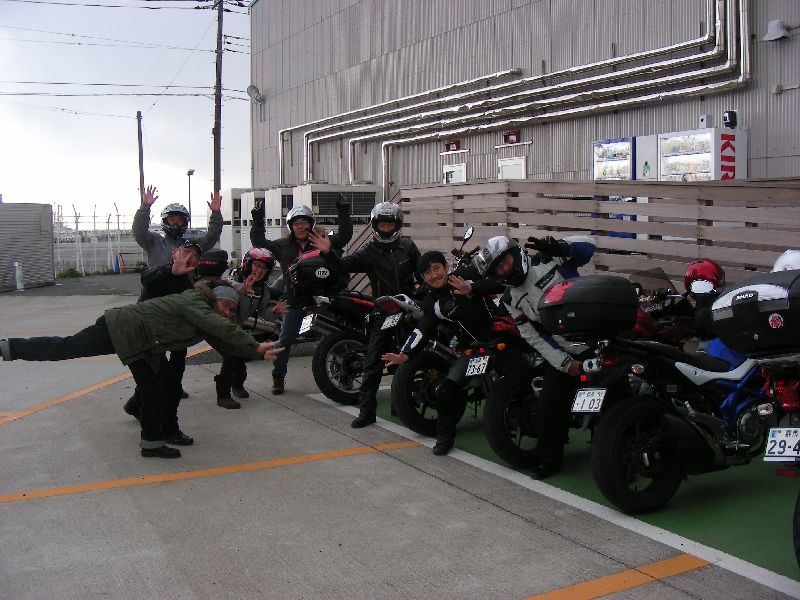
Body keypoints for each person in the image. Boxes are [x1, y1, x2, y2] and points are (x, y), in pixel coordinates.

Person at [0, 282, 283, 459]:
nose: (227, 313)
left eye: (232, 310)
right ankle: (151, 442)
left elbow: (224, 339)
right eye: (226, 306)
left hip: (145, 342)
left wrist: (254, 350)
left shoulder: (204, 312)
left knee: (168, 384)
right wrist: (254, 346)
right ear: (215, 300)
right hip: (123, 329)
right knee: (69, 348)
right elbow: (221, 327)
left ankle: (156, 423)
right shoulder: (196, 304)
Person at [383, 251, 530, 455]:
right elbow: (423, 328)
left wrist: (472, 288)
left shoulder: (467, 274)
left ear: (445, 267)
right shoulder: (432, 302)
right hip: (473, 350)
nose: (434, 275)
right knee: (446, 389)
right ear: (423, 277)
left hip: (503, 337)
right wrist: (405, 354)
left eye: (437, 268)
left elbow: (501, 282)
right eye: (428, 273)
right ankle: (444, 437)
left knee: (527, 375)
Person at [474, 234, 596, 479]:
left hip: (597, 337)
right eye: (498, 269)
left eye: (505, 261)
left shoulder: (549, 258)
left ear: (515, 253)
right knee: (548, 405)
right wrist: (565, 364)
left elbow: (589, 249)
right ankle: (550, 460)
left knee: (618, 394)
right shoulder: (511, 299)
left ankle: (622, 453)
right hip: (566, 351)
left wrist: (562, 247)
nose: (505, 269)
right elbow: (533, 336)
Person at [315, 202, 421, 428]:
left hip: (411, 307)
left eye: (390, 224)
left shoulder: (408, 247)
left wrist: (424, 292)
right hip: (385, 310)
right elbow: (343, 266)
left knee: (413, 356)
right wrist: (328, 252)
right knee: (373, 361)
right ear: (375, 225)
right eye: (382, 225)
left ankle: (405, 402)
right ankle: (366, 411)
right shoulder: (368, 251)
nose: (386, 228)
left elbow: (422, 273)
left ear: (397, 225)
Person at [250, 199, 352, 395]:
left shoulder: (321, 240)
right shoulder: (282, 246)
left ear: (311, 223)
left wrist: (343, 212)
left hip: (323, 300)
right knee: (285, 340)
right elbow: (259, 243)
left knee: (336, 338)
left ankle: (344, 375)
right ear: (291, 226)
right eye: (296, 223)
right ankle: (278, 376)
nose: (301, 226)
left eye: (304, 222)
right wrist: (257, 218)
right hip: (295, 301)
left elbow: (344, 237)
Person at [133, 184, 224, 398]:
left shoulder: (192, 245)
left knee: (179, 350)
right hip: (153, 302)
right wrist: (145, 207)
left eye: (180, 219)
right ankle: (152, 389)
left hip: (181, 304)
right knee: (153, 350)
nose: (176, 222)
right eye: (172, 218)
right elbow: (138, 231)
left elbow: (212, 236)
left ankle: (175, 386)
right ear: (164, 221)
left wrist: (216, 213)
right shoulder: (154, 241)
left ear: (186, 223)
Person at [123, 239, 202, 422]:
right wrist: (170, 270)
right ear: (175, 253)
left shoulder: (190, 280)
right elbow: (147, 278)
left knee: (176, 365)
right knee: (156, 372)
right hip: (151, 331)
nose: (190, 256)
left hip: (174, 331)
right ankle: (142, 409)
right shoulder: (162, 271)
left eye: (195, 255)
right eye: (186, 251)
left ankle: (164, 396)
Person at [215, 247, 287, 409]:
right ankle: (223, 394)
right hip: (216, 324)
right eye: (257, 265)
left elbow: (264, 313)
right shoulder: (233, 276)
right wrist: (243, 289)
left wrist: (275, 312)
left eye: (264, 268)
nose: (259, 270)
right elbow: (226, 285)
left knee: (239, 357)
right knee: (231, 356)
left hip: (234, 328)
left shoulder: (262, 289)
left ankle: (237, 384)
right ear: (247, 264)